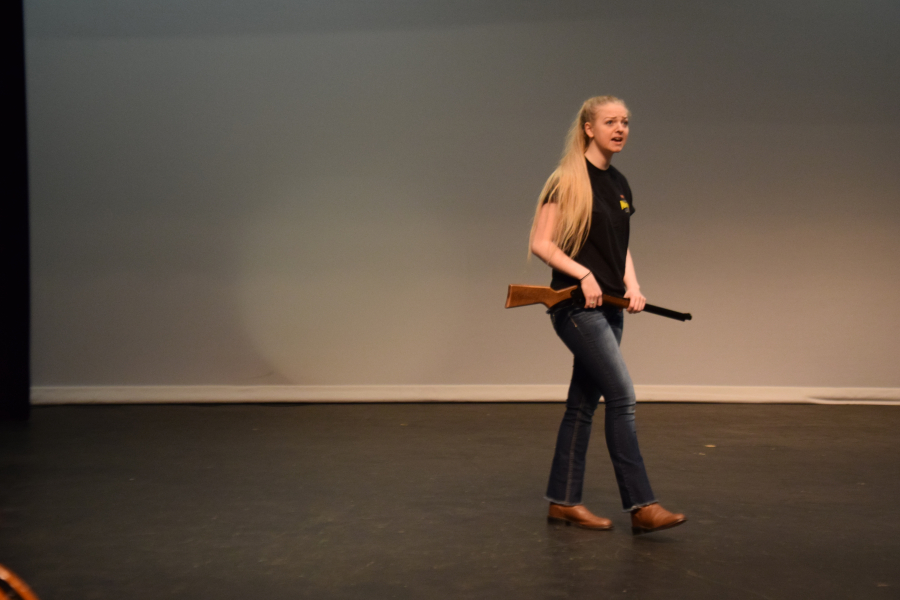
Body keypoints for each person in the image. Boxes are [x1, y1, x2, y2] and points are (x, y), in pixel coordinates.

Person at [528, 95, 686, 534]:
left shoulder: (618, 182)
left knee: (581, 405)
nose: (620, 129)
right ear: (588, 129)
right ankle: (642, 506)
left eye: (626, 122)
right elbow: (542, 243)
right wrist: (583, 274)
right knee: (622, 396)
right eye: (610, 122)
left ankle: (562, 501)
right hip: (577, 309)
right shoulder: (566, 179)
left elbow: (621, 245)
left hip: (611, 309)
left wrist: (632, 285)